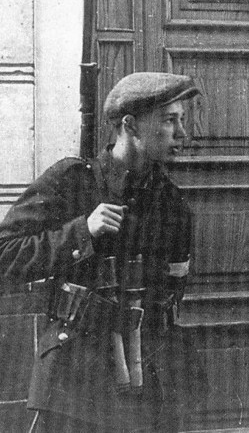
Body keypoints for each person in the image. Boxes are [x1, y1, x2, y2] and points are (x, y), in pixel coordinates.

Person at [0, 72, 202, 432]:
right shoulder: (71, 181)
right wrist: (82, 232)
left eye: (181, 120)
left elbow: (174, 287)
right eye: (170, 120)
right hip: (78, 377)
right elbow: (5, 253)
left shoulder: (171, 201)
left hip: (150, 375)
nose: (182, 133)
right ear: (131, 125)